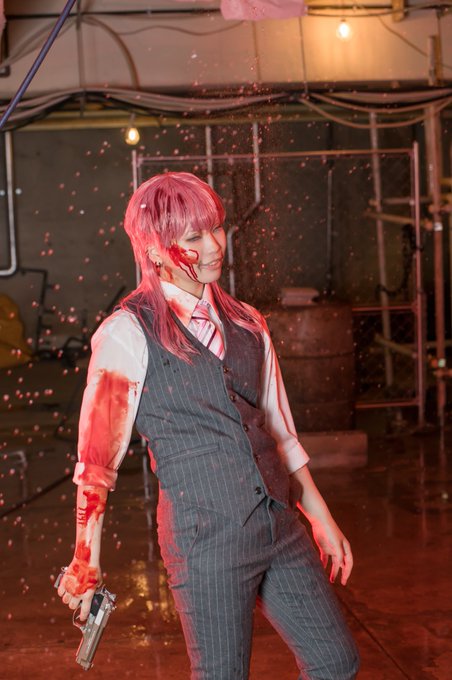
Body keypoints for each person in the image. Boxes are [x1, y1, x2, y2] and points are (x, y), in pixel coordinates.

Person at [57, 172, 360, 679]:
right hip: (205, 539)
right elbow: (96, 464)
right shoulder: (127, 332)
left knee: (336, 662)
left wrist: (320, 517)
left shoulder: (248, 322)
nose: (215, 245)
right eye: (194, 236)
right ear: (153, 250)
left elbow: (279, 433)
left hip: (279, 525)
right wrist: (85, 559)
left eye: (216, 228)